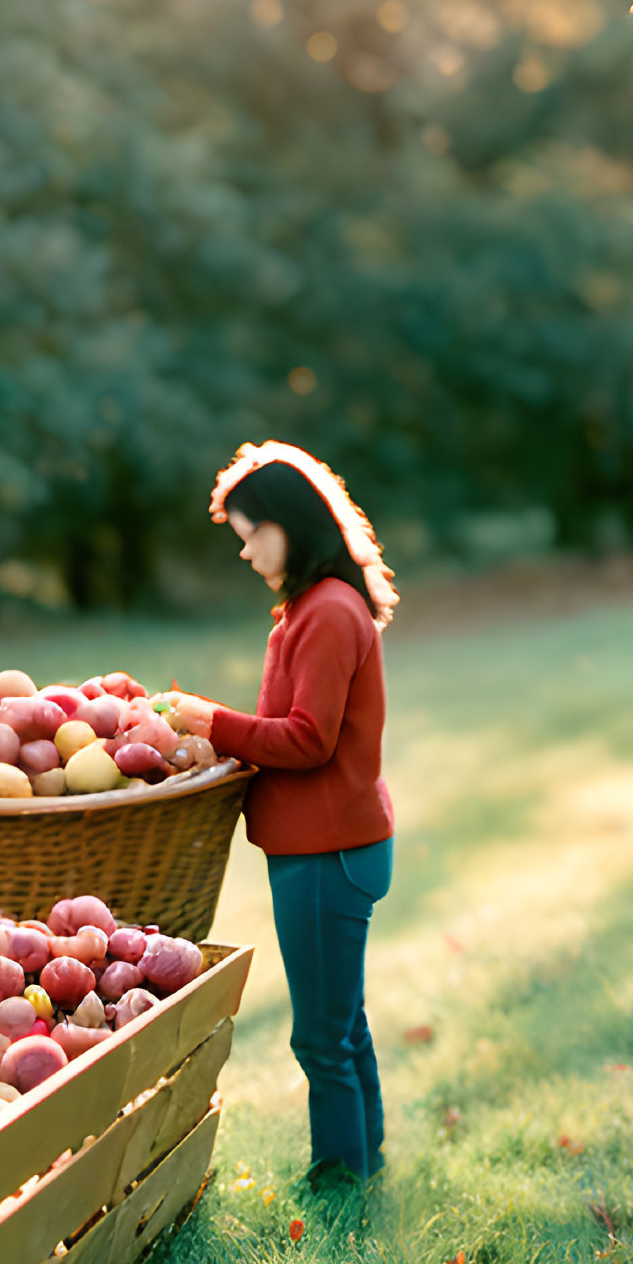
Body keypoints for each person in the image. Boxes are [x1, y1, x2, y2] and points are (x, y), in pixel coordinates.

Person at [172, 441, 396, 1186]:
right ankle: (367, 1154)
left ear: (290, 524)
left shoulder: (329, 612)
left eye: (250, 533)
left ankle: (339, 1180)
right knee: (344, 1020)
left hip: (328, 853)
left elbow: (307, 740)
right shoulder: (310, 607)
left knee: (319, 1038)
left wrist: (212, 722)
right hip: (321, 847)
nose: (245, 552)